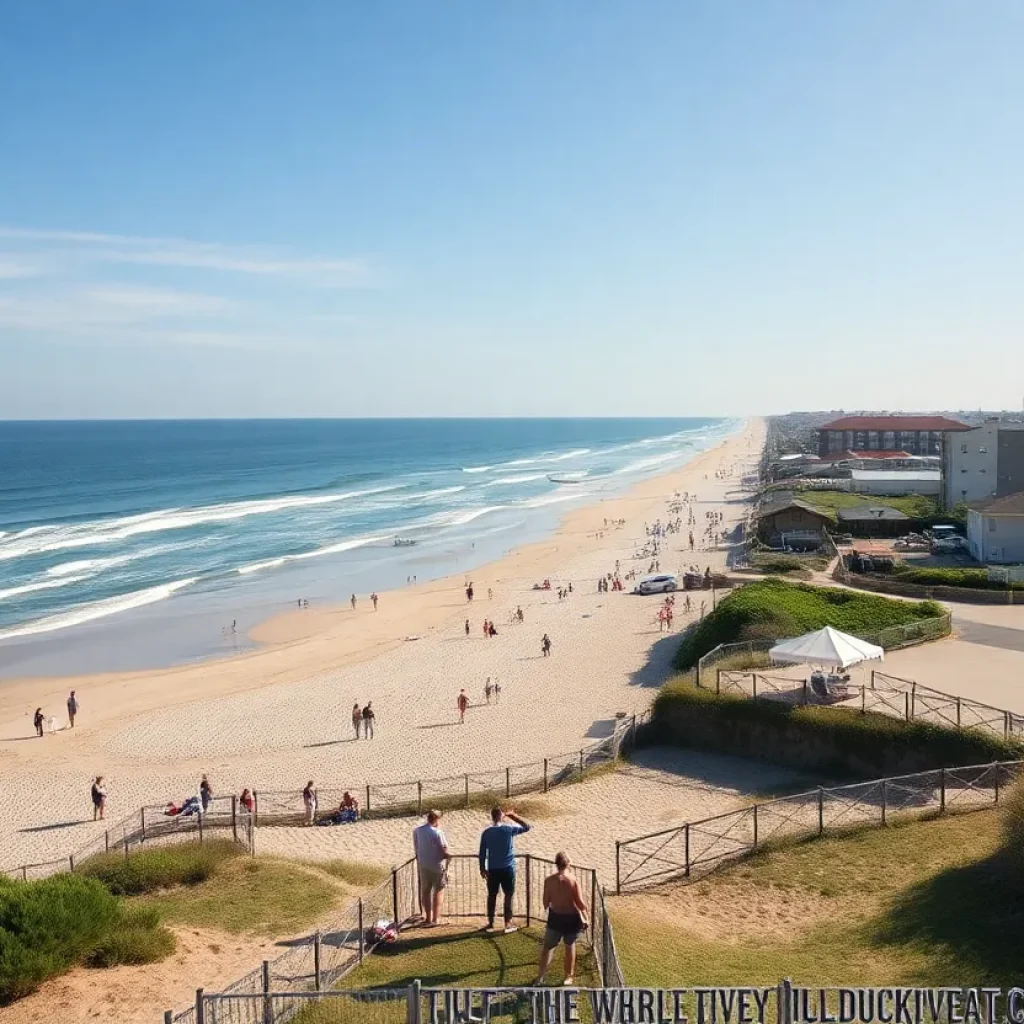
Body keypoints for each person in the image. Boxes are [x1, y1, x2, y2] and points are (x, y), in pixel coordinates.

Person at [534, 852, 589, 986]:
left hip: (555, 917)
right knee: (569, 945)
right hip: (571, 917)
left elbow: (545, 902)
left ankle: (540, 977)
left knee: (548, 947)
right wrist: (586, 915)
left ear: (556, 864)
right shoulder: (572, 879)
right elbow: (580, 902)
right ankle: (568, 977)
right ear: (568, 863)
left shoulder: (549, 880)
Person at [479, 807, 531, 933]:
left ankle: (490, 923)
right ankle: (507, 923)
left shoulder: (486, 833)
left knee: (492, 896)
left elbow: (482, 852)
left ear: (492, 817)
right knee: (508, 895)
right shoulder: (508, 829)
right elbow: (527, 826)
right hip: (507, 868)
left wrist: (482, 868)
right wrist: (512, 816)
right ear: (501, 816)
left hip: (493, 869)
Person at [413, 810, 451, 926]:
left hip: (423, 864)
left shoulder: (418, 831)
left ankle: (428, 917)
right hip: (437, 865)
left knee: (426, 891)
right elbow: (444, 849)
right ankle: (435, 918)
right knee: (438, 891)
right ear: (436, 819)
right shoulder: (438, 832)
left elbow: (416, 846)